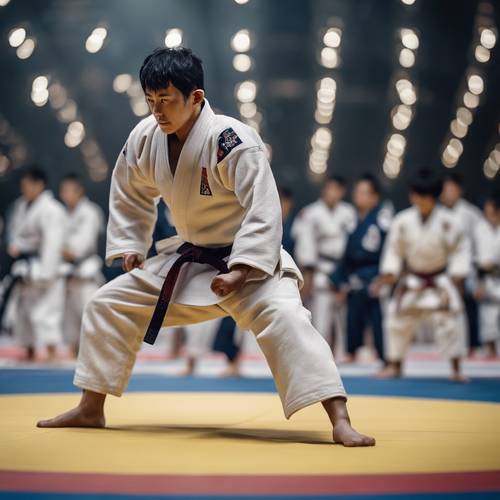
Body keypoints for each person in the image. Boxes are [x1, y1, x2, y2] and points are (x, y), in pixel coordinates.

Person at [37, 47, 374, 446]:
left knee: (290, 321)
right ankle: (91, 408)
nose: (157, 110)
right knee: (108, 304)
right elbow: (130, 190)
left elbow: (263, 209)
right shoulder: (145, 137)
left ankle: (340, 420)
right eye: (150, 100)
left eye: (166, 100)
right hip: (191, 260)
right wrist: (132, 243)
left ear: (195, 97)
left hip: (248, 265)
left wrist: (243, 268)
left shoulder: (230, 141)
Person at [373, 168, 470, 382]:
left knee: (451, 320)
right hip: (413, 280)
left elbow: (461, 250)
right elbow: (393, 250)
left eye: (426, 197)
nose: (421, 201)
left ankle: (456, 367)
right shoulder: (402, 220)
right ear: (412, 195)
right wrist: (390, 271)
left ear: (434, 197)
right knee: (396, 319)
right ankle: (395, 365)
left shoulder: (449, 221)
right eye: (417, 195)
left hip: (439, 280)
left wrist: (457, 275)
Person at [6, 167, 67, 361]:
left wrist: (46, 271)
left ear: (39, 185)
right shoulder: (20, 206)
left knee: (47, 313)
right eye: (22, 185)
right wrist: (15, 246)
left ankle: (51, 352)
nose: (24, 189)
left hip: (46, 267)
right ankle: (29, 350)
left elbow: (52, 243)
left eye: (27, 185)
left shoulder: (51, 209)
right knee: (23, 312)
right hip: (26, 267)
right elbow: (15, 234)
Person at [330, 174, 392, 363]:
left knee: (379, 319)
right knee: (352, 316)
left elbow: (391, 252)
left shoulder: (383, 219)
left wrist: (383, 279)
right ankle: (351, 351)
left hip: (376, 275)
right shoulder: (352, 220)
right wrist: (340, 281)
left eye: (364, 193)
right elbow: (346, 256)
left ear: (375, 197)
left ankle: (384, 354)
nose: (359, 196)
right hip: (355, 276)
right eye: (357, 192)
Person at [293, 176, 356, 349]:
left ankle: (340, 357)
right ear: (324, 190)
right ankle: (319, 355)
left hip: (343, 270)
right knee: (321, 320)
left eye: (337, 189)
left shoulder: (349, 212)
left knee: (342, 322)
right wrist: (308, 274)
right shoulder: (311, 213)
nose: (332, 193)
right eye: (330, 188)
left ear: (342, 191)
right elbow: (305, 245)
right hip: (320, 269)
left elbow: (354, 244)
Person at [59, 174, 105, 357]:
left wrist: (56, 249)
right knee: (70, 324)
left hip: (86, 273)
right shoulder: (61, 213)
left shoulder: (90, 212)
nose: (65, 194)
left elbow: (79, 248)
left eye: (69, 190)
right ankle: (71, 356)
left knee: (91, 321)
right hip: (66, 274)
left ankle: (96, 358)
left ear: (80, 191)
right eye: (63, 191)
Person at [440, 173, 482, 353]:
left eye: (451, 189)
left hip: (467, 269)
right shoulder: (436, 213)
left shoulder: (471, 214)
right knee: (444, 311)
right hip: (443, 270)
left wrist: (475, 273)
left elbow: (480, 243)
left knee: (468, 307)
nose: (448, 193)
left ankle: (472, 345)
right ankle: (447, 346)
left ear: (459, 190)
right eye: (445, 190)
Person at [473, 192, 500, 357]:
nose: (488, 216)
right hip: (487, 281)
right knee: (488, 320)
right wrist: (479, 285)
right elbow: (477, 261)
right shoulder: (480, 228)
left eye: (491, 212)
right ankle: (489, 350)